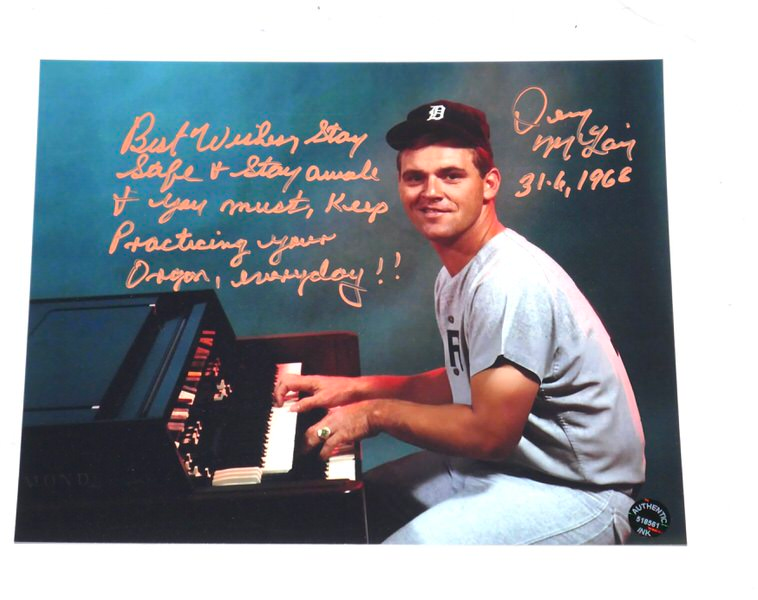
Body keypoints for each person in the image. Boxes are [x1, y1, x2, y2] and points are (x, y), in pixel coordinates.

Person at [274, 99, 646, 544]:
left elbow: (490, 434)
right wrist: (356, 388)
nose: (430, 191)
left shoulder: (508, 280)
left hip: (580, 491)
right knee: (347, 511)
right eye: (415, 177)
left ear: (488, 184)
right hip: (507, 469)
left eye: (451, 175)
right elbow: (467, 383)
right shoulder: (457, 273)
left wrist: (374, 414)